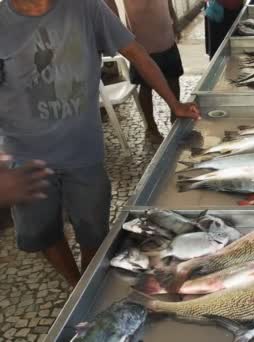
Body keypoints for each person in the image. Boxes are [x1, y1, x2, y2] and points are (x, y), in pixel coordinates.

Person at [0, 0, 201, 287]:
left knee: (94, 229)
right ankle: (76, 284)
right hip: (25, 155)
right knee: (43, 232)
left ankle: (87, 281)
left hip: (83, 151)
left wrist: (174, 102)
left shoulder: (86, 8)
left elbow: (136, 53)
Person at [105, 0, 184, 143]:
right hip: (142, 43)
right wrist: (118, 32)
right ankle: (151, 127)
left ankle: (175, 117)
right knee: (146, 87)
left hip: (166, 36)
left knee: (173, 79)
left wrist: (175, 23)